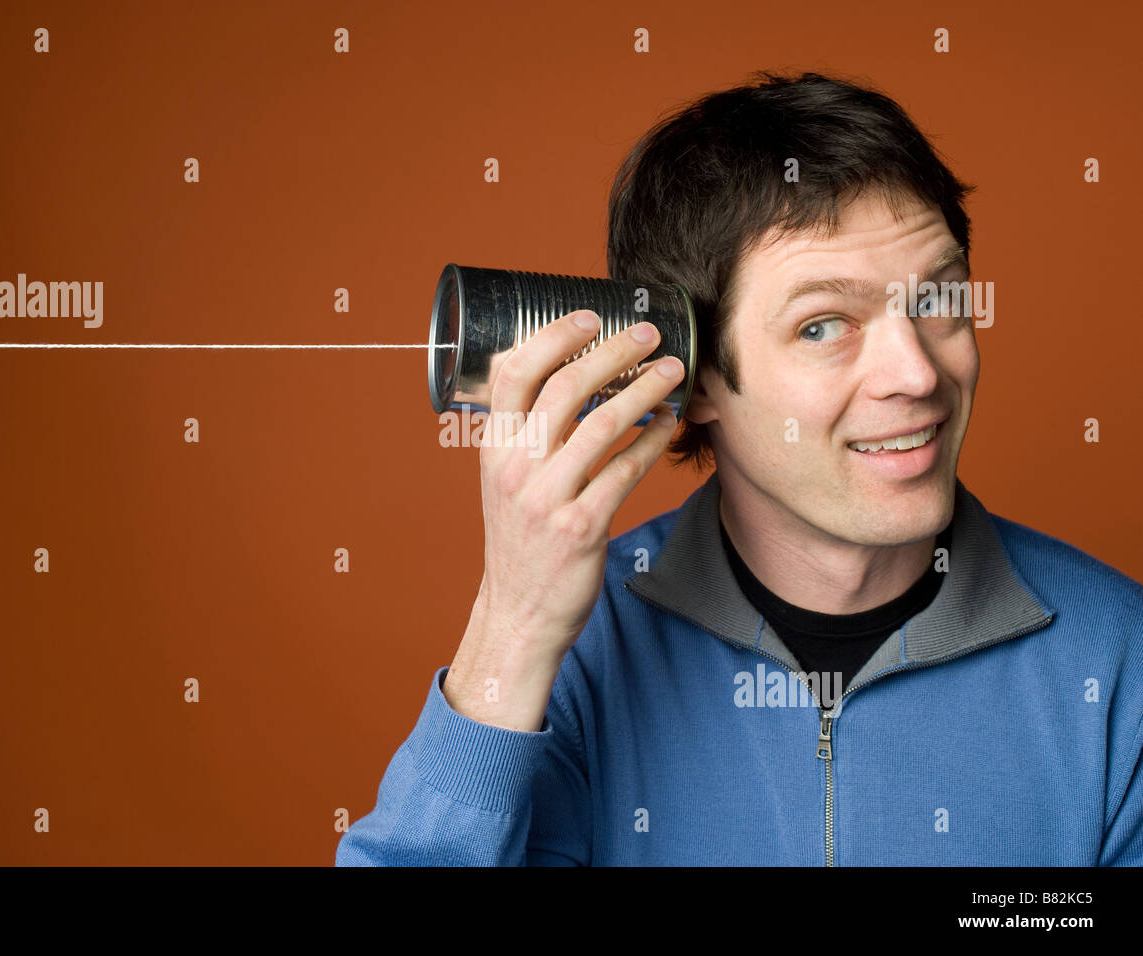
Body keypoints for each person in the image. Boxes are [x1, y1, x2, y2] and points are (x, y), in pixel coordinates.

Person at [336, 71, 1143, 865]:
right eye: (824, 326)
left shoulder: (1117, 665)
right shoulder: (576, 663)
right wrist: (510, 636)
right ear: (694, 378)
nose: (919, 374)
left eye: (938, 301)